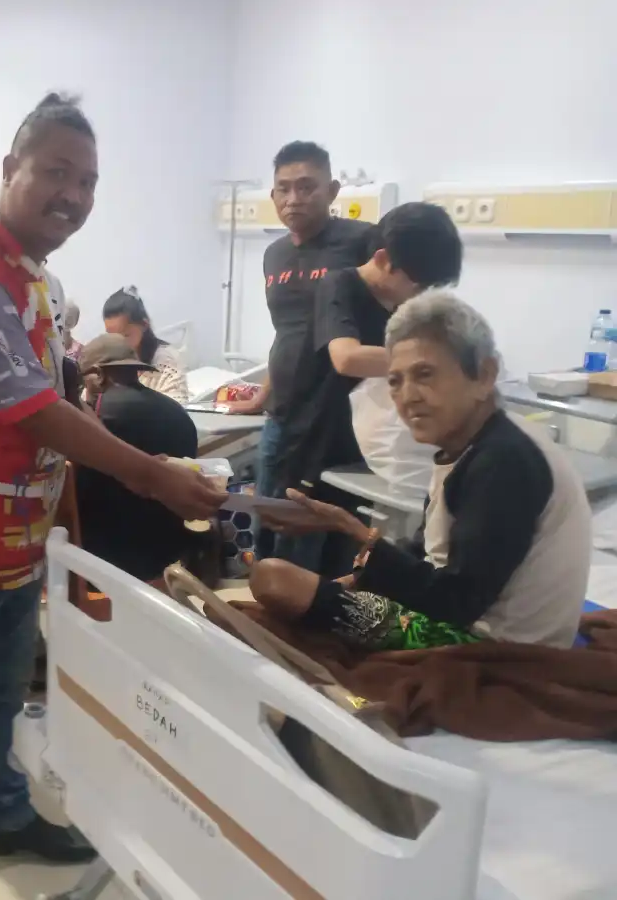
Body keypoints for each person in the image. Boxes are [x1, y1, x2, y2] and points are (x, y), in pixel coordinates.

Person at [0, 92, 224, 900]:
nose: (73, 195)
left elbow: (58, 397)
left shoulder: (37, 278)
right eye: (57, 173)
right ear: (11, 169)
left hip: (18, 537)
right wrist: (151, 475)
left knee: (4, 693)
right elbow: (33, 409)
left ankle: (5, 817)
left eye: (89, 181)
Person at [251, 290, 590, 651]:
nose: (407, 396)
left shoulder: (505, 461)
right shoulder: (469, 443)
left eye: (424, 374)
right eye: (395, 381)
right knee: (278, 577)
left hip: (492, 645)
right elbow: (427, 551)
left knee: (275, 581)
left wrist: (351, 530)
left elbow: (457, 603)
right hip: (460, 614)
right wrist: (357, 578)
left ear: (484, 376)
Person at [268, 201, 464, 574]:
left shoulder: (402, 308)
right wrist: (431, 362)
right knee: (295, 559)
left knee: (342, 557)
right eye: (418, 283)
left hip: (358, 453)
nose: (420, 293)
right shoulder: (338, 286)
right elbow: (347, 358)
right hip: (312, 444)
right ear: (384, 260)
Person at [225, 142, 372, 560]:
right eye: (284, 188)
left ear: (333, 190)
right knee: (269, 527)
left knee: (324, 536)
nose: (294, 198)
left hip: (338, 421)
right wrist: (263, 395)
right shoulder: (274, 255)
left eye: (307, 187)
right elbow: (286, 335)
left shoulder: (362, 241)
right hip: (282, 418)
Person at [75, 333, 200, 585]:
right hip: (168, 551)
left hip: (111, 559)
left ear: (98, 375)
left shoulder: (99, 417)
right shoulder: (175, 410)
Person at [102, 286, 188, 403]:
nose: (118, 343)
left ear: (144, 325)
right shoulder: (107, 359)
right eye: (112, 336)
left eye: (125, 335)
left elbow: (177, 408)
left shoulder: (167, 364)